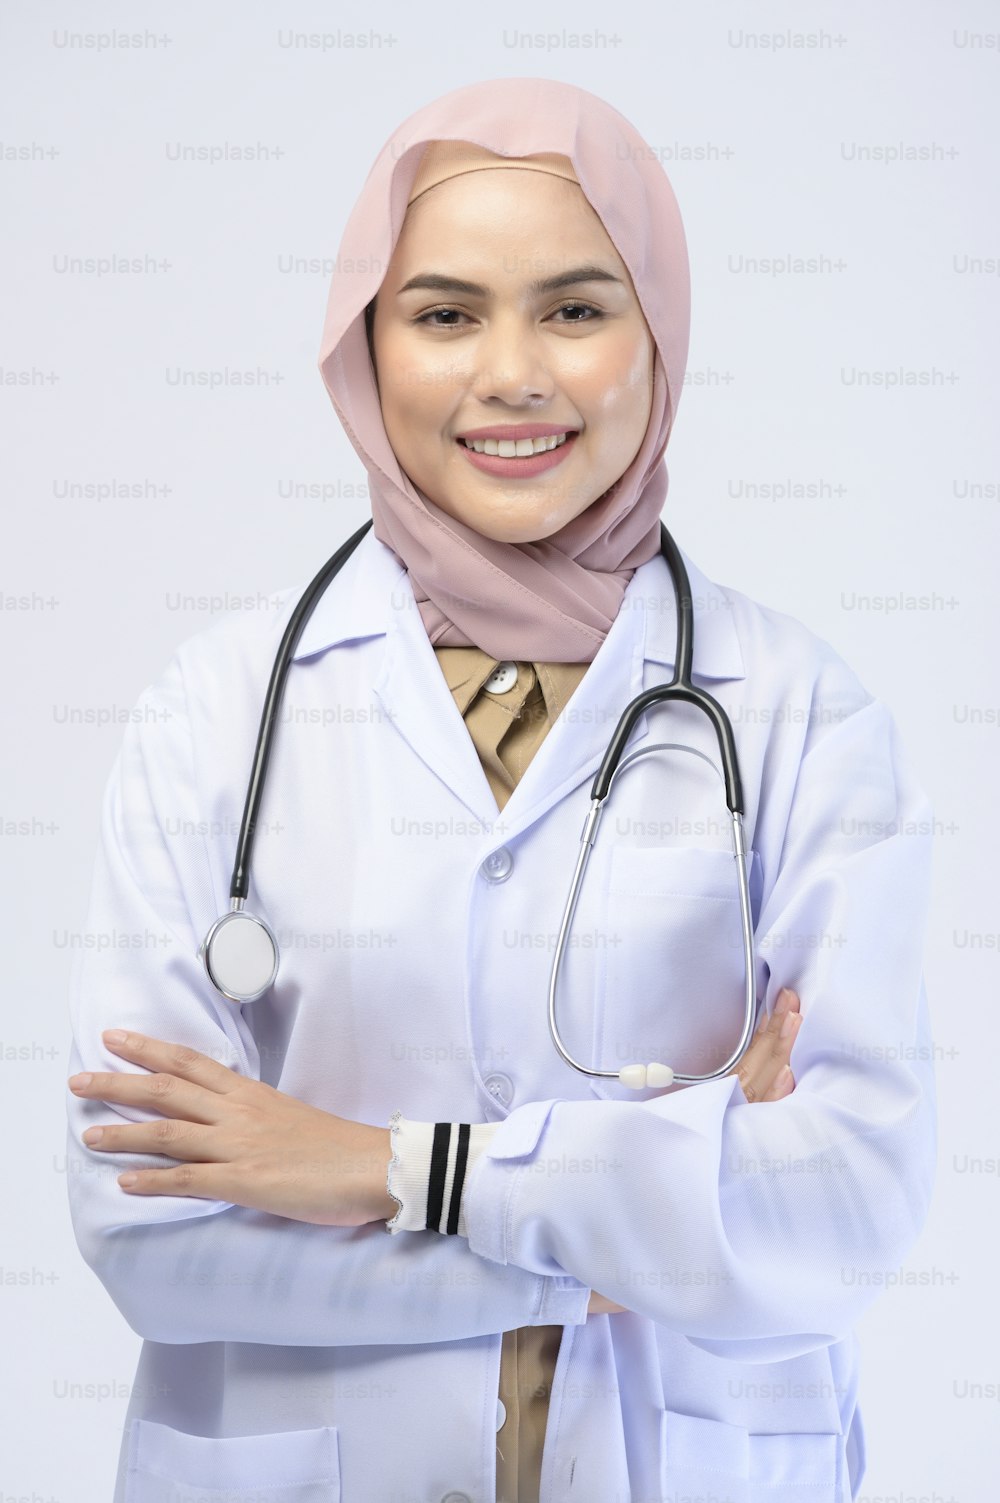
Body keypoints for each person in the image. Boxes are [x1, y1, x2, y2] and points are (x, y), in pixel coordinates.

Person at [65, 78, 935, 1503]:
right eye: (446, 313)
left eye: (578, 310)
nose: (513, 373)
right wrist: (631, 1223)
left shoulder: (801, 717)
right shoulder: (212, 718)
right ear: (366, 348)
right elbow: (148, 1233)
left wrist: (377, 1165)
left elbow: (844, 1212)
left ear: (661, 332)